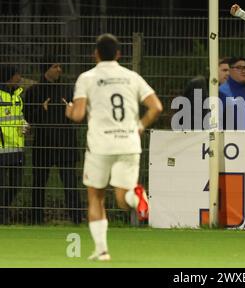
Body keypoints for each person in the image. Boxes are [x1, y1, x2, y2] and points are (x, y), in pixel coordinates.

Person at [65, 33, 163, 261]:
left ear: (95, 54)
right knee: (123, 199)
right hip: (128, 142)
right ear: (119, 54)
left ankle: (102, 251)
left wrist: (69, 110)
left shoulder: (87, 77)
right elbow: (156, 107)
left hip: (100, 145)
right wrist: (139, 125)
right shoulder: (132, 77)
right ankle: (138, 198)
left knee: (96, 196)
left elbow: (78, 115)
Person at [24, 61, 82, 224]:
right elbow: (27, 117)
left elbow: (78, 114)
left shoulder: (67, 89)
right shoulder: (34, 91)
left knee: (70, 183)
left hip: (65, 144)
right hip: (44, 144)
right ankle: (36, 220)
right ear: (46, 69)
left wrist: (71, 110)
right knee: (39, 183)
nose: (59, 70)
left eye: (59, 66)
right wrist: (41, 109)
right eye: (55, 66)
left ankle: (77, 219)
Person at [0, 66, 28, 224]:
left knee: (16, 184)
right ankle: (2, 216)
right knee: (2, 186)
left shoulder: (18, 96)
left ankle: (3, 211)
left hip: (17, 148)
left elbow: (19, 116)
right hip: (1, 148)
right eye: (17, 74)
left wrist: (24, 124)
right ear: (10, 77)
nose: (20, 77)